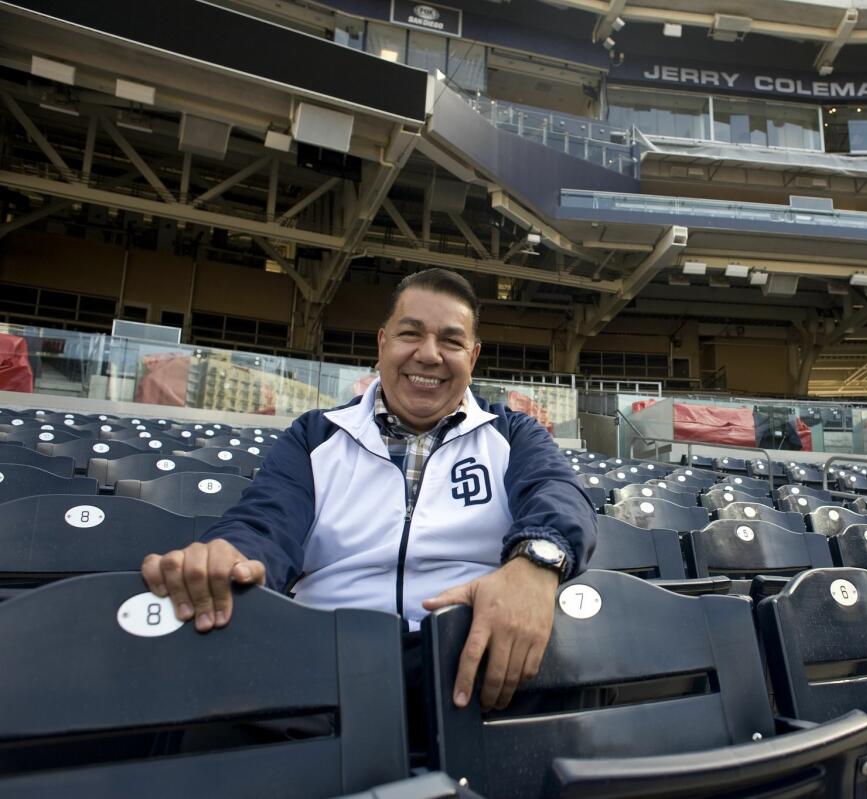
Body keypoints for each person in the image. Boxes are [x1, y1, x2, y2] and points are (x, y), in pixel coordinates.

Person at [142, 268, 596, 712]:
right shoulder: (315, 435)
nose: (429, 355)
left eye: (451, 341)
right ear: (382, 344)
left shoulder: (514, 434)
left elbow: (558, 494)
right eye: (411, 334)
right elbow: (265, 523)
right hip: (327, 662)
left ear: (472, 358)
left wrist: (536, 562)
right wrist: (232, 555)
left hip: (472, 657)